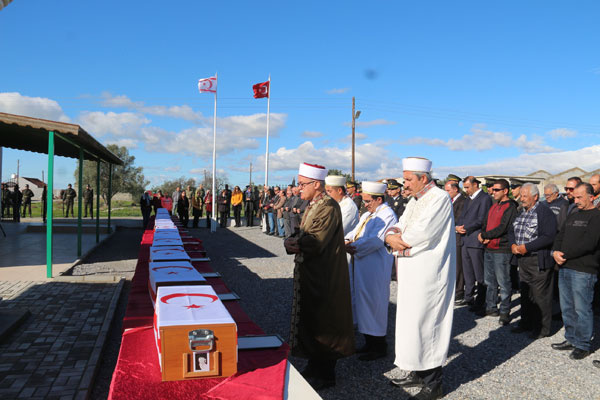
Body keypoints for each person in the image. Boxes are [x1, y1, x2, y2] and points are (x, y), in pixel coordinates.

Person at [385, 157, 455, 400]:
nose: (405, 184)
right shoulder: (417, 199)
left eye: (408, 179)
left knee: (427, 323)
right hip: (411, 271)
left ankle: (433, 383)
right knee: (410, 323)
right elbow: (401, 224)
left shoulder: (439, 198)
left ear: (423, 178)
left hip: (429, 273)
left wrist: (393, 240)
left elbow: (423, 232)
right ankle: (415, 370)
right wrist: (391, 235)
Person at [284, 163, 354, 390]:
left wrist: (295, 243)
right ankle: (314, 365)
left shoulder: (328, 206)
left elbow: (315, 240)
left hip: (324, 274)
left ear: (317, 184)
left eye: (303, 184)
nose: (298, 189)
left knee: (325, 320)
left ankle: (325, 373)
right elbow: (304, 232)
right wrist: (292, 239)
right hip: (312, 272)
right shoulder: (313, 204)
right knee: (312, 320)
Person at [345, 181, 397, 361]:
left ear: (379, 199)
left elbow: (375, 240)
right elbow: (355, 232)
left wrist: (353, 247)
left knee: (374, 304)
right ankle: (369, 341)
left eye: (368, 201)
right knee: (363, 302)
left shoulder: (387, 214)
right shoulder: (368, 214)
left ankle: (379, 345)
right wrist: (347, 240)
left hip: (375, 267)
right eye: (364, 200)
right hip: (363, 265)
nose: (365, 204)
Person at [551, 183, 600, 360]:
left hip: (583, 270)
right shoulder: (573, 214)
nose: (576, 200)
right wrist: (554, 252)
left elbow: (590, 243)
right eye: (575, 197)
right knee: (567, 307)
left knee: (582, 308)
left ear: (591, 197)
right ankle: (570, 338)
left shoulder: (596, 217)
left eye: (580, 197)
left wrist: (564, 254)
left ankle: (583, 344)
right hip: (564, 267)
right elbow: (560, 235)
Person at [509, 183, 557, 339]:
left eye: (525, 196)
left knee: (540, 295)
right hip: (523, 260)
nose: (521, 199)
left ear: (535, 197)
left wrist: (527, 247)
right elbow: (512, 230)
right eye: (521, 195)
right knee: (525, 293)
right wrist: (513, 244)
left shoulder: (545, 213)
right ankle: (526, 323)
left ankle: (542, 328)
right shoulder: (521, 211)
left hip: (537, 259)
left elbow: (548, 236)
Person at [478, 179, 518, 324]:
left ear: (505, 191)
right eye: (492, 189)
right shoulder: (494, 206)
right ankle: (491, 307)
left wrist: (486, 236)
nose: (492, 192)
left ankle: (505, 312)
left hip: (502, 249)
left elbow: (503, 227)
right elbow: (485, 223)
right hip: (489, 248)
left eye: (496, 190)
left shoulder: (511, 207)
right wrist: (483, 234)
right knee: (489, 281)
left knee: (504, 282)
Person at [456, 176, 492, 312]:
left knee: (479, 274)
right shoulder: (468, 200)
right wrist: (457, 226)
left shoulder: (484, 198)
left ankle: (481, 301)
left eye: (467, 187)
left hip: (475, 240)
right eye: (464, 187)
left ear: (476, 185)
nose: (466, 190)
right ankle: (468, 296)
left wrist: (465, 227)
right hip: (465, 239)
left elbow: (482, 219)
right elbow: (462, 216)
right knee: (467, 272)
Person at [445, 180, 468, 304]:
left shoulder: (462, 202)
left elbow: (458, 220)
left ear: (455, 189)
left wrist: (453, 227)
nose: (446, 193)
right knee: (453, 265)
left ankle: (459, 292)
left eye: (448, 190)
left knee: (458, 266)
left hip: (459, 238)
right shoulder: (451, 201)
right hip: (452, 236)